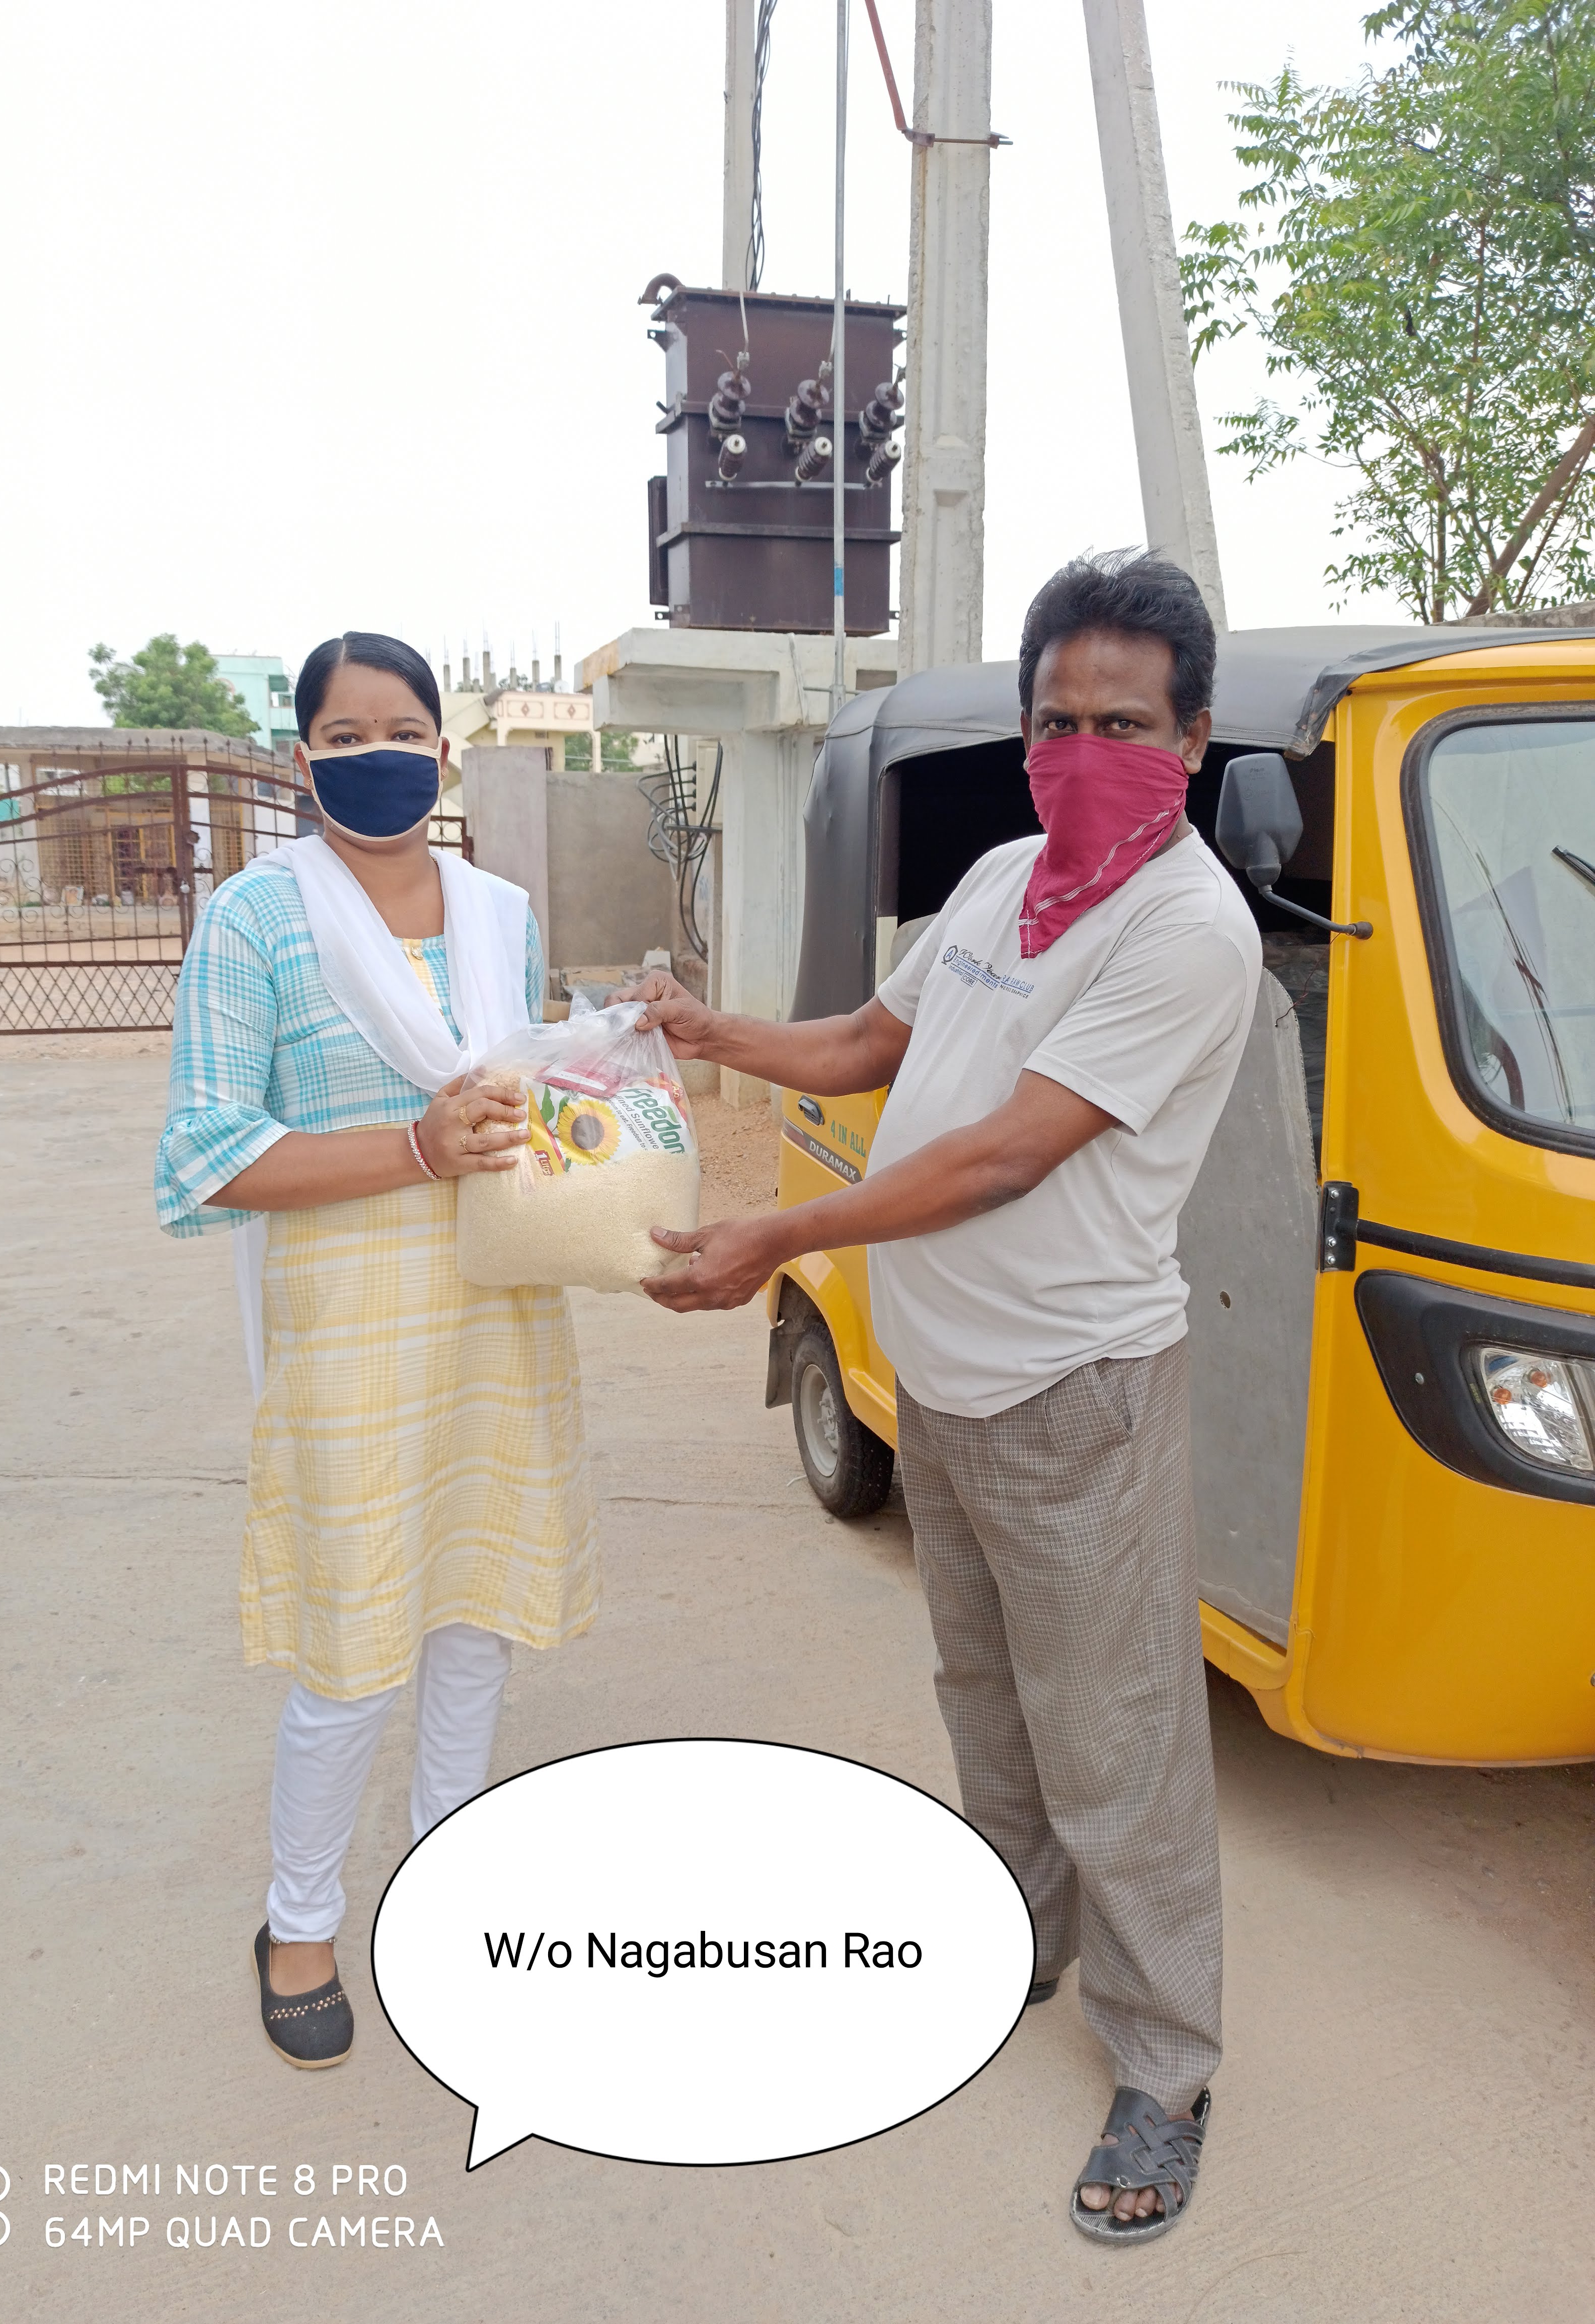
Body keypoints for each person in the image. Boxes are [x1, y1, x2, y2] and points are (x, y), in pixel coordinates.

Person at [624, 553, 1260, 2241]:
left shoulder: (1187, 930)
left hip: (1075, 1390)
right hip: (949, 1383)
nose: (1082, 751)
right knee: (985, 1689)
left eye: (1123, 723)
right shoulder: (999, 878)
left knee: (1114, 1733)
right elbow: (865, 1048)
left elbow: (1001, 1154)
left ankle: (1167, 2060)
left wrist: (778, 1233)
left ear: (1192, 738)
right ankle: (1018, 1935)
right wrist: (708, 1030)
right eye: (1056, 719)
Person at [156, 631, 598, 2069]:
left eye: (403, 730)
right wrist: (414, 1147)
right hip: (349, 1321)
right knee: (353, 1644)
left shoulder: (500, 914)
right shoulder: (256, 919)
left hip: (498, 1308)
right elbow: (207, 1158)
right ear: (304, 761)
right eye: (345, 737)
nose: (378, 755)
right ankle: (299, 1922)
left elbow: (518, 1092)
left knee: (473, 1619)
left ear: (445, 751)